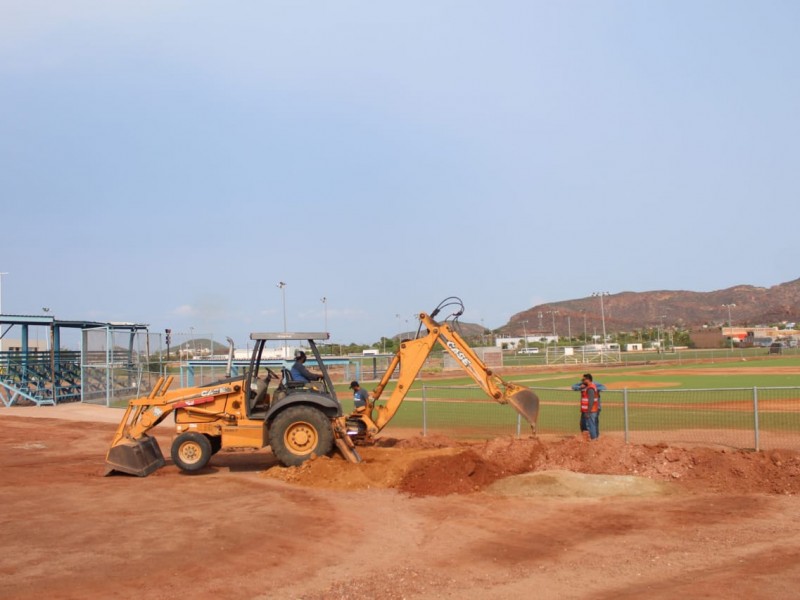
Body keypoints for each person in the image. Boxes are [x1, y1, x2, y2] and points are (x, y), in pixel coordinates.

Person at [576, 373, 600, 440]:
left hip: (591, 410)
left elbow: (591, 401)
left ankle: (594, 439)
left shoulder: (590, 388)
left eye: (583, 379)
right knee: (585, 424)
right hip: (587, 410)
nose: (582, 381)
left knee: (591, 425)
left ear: (588, 380)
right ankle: (589, 438)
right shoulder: (587, 387)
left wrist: (588, 412)